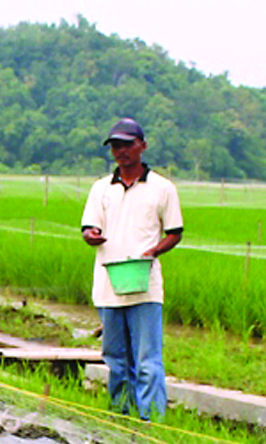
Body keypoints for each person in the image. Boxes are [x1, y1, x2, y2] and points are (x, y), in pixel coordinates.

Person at [79, 117, 183, 421]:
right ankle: (120, 415)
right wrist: (91, 236)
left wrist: (154, 251)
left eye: (127, 144)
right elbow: (88, 228)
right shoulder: (101, 189)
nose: (121, 151)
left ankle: (151, 420)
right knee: (116, 359)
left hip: (145, 285)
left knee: (148, 359)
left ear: (142, 146)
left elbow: (174, 232)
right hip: (109, 283)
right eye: (115, 146)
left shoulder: (162, 188)